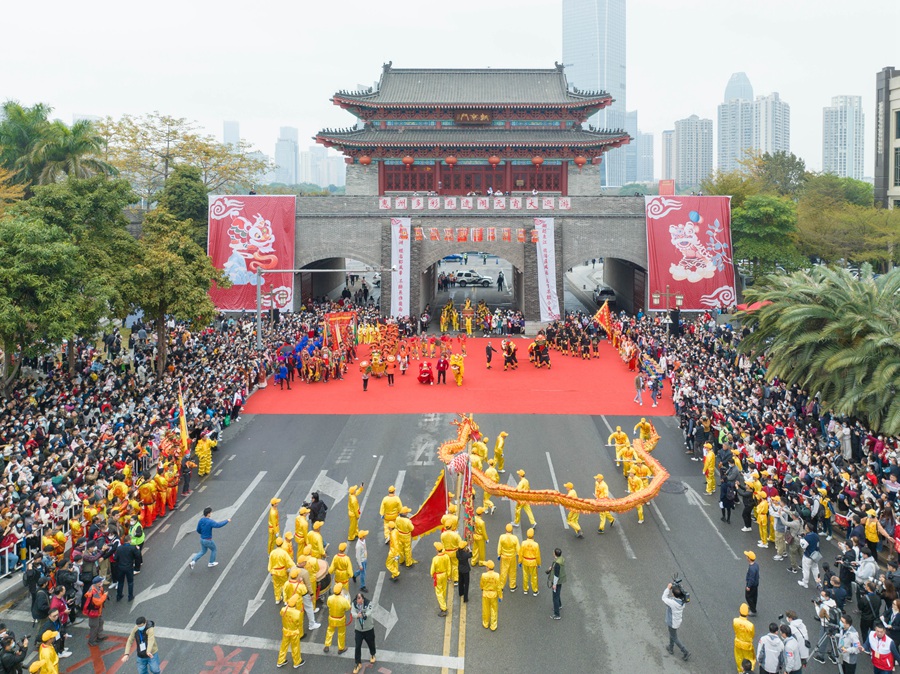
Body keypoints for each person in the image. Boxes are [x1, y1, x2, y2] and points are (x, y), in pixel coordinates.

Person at [276, 594, 304, 669]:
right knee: (295, 647)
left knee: (284, 646)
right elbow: (299, 623)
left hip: (285, 631)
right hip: (294, 632)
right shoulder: (297, 613)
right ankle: (297, 662)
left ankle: (280, 661)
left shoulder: (283, 609)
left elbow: (281, 614)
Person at [323, 584, 352, 655]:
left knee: (329, 631)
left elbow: (328, 605)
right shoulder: (343, 600)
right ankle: (341, 648)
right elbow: (348, 607)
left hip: (331, 618)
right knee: (341, 633)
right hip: (340, 619)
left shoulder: (330, 598)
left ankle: (327, 646)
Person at [351, 592, 376, 674]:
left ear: (363, 598)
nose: (358, 600)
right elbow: (353, 613)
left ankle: (372, 654)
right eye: (357, 598)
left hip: (368, 629)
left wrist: (364, 615)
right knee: (357, 646)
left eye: (359, 598)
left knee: (371, 643)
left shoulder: (368, 603)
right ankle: (358, 663)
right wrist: (357, 615)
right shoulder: (354, 604)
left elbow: (369, 611)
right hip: (359, 630)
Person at [114, 535, 142, 602]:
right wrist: (138, 549)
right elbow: (138, 556)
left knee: (120, 582)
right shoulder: (132, 548)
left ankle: (119, 596)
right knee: (130, 582)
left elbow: (115, 558)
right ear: (129, 540)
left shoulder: (119, 548)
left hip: (120, 568)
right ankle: (130, 596)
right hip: (129, 567)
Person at [82, 575, 108, 647]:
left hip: (98, 611)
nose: (102, 583)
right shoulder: (94, 591)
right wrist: (105, 596)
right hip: (93, 612)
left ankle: (99, 636)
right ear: (97, 583)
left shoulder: (98, 588)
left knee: (100, 622)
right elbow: (98, 602)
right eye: (101, 581)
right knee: (94, 626)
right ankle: (92, 640)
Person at [497, 523, 520, 593]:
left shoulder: (502, 537)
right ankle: (512, 586)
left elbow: (499, 546)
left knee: (503, 571)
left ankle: (501, 587)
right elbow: (518, 549)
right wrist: (519, 557)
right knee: (512, 571)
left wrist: (499, 554)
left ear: (506, 529)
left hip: (504, 557)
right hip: (512, 557)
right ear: (512, 530)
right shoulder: (515, 538)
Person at [733, 603, 755, 673]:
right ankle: (749, 671)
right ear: (747, 613)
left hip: (738, 643)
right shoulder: (750, 625)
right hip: (747, 645)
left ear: (739, 611)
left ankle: (740, 671)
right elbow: (752, 635)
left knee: (739, 658)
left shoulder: (735, 621)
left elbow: (735, 630)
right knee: (749, 659)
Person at [798, 521, 821, 589]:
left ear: (807, 529)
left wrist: (801, 539)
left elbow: (803, 546)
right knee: (815, 569)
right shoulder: (815, 535)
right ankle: (818, 583)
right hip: (815, 555)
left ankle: (805, 583)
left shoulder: (807, 538)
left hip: (808, 556)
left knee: (806, 570)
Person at [430, 542, 451, 617]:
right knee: (444, 589)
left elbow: (432, 569)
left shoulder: (435, 559)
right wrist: (448, 576)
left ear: (437, 550)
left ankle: (443, 608)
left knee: (438, 592)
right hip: (444, 574)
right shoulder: (446, 556)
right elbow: (449, 567)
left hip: (438, 575)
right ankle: (443, 603)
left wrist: (432, 575)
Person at [519, 528, 541, 596]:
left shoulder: (523, 543)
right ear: (533, 535)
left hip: (525, 561)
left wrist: (520, 561)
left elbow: (521, 553)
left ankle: (525, 589)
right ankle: (535, 590)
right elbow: (537, 555)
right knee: (534, 576)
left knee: (525, 575)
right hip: (533, 562)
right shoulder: (536, 544)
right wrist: (539, 563)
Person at [480, 560, 501, 631]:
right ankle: (493, 625)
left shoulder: (484, 575)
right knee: (494, 610)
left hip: (485, 594)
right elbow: (499, 587)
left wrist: (482, 588)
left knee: (485, 609)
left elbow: (481, 584)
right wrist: (500, 596)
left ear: (488, 568)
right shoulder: (497, 575)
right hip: (494, 594)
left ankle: (485, 623)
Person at [550, 548, 566, 621]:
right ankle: (559, 605)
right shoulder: (561, 559)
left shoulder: (557, 564)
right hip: (561, 580)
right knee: (558, 593)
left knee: (555, 597)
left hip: (557, 581)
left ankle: (557, 614)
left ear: (555, 554)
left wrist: (554, 584)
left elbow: (556, 575)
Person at [743, 550, 759, 616]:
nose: (746, 557)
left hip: (751, 585)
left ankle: (753, 610)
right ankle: (753, 606)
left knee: (748, 597)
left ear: (749, 559)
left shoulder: (752, 569)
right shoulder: (756, 565)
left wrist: (748, 586)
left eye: (747, 556)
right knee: (754, 596)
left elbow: (751, 578)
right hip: (755, 584)